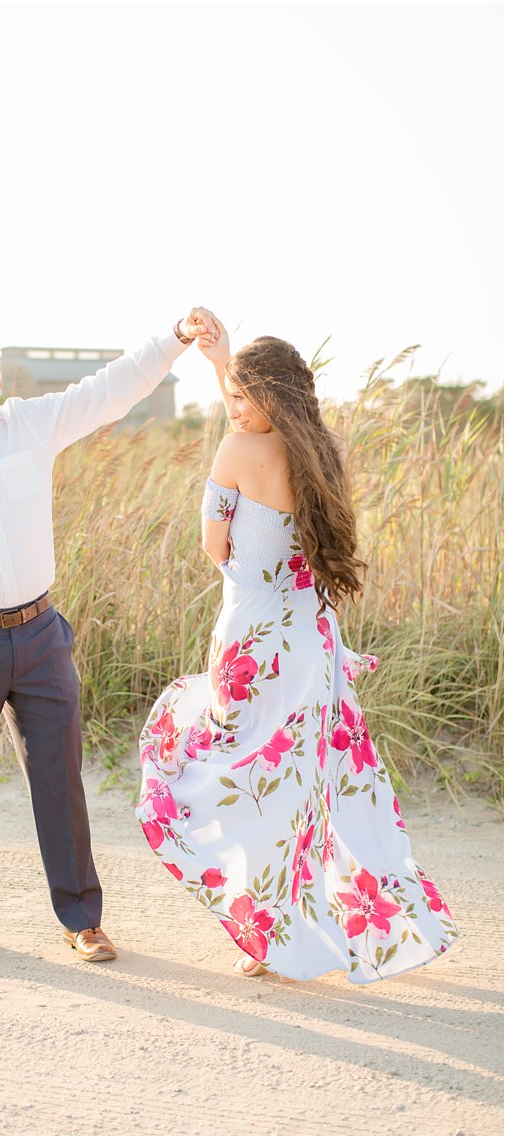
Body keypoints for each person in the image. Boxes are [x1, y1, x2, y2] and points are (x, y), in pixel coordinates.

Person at [0, 307, 218, 967]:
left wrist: (171, 340)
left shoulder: (27, 424)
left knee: (60, 781)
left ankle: (83, 919)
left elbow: (111, 388)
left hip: (40, 634)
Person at [135, 322, 460, 981]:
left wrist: (229, 390)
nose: (232, 406)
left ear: (264, 397)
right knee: (301, 784)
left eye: (240, 397)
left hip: (253, 637)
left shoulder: (237, 449)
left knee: (231, 771)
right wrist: (224, 361)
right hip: (310, 637)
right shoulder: (324, 450)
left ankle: (271, 929)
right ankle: (292, 921)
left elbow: (214, 546)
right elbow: (260, 415)